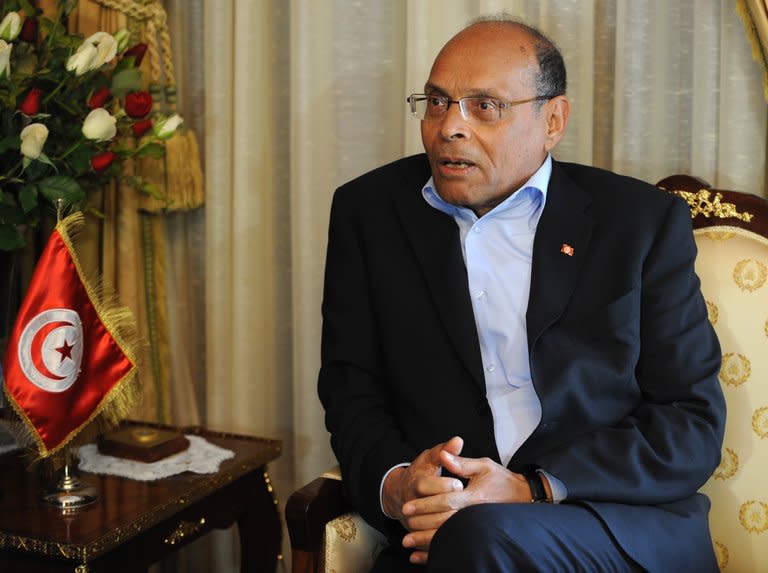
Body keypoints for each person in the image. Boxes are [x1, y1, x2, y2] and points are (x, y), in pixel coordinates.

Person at [318, 15, 725, 573]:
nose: (449, 128)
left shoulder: (638, 224)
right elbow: (351, 391)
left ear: (552, 119)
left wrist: (530, 489)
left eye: (484, 106)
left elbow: (690, 422)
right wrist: (400, 487)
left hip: (611, 526)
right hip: (449, 534)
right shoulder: (371, 214)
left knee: (479, 538)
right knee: (471, 540)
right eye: (437, 103)